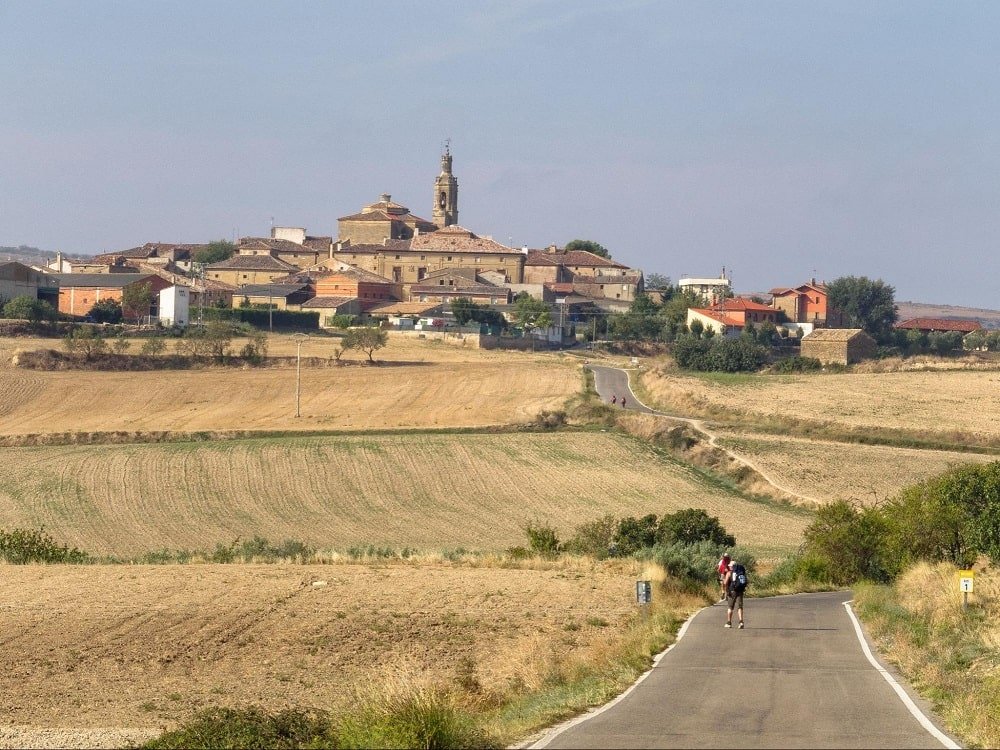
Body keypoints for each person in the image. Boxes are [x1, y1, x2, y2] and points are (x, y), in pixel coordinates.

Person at [723, 560, 746, 629]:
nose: (729, 567)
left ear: (732, 566)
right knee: (740, 607)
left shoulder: (729, 573)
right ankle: (741, 622)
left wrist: (726, 589)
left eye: (730, 566)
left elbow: (725, 583)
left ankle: (729, 622)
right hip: (740, 591)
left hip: (732, 591)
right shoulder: (741, 572)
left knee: (730, 607)